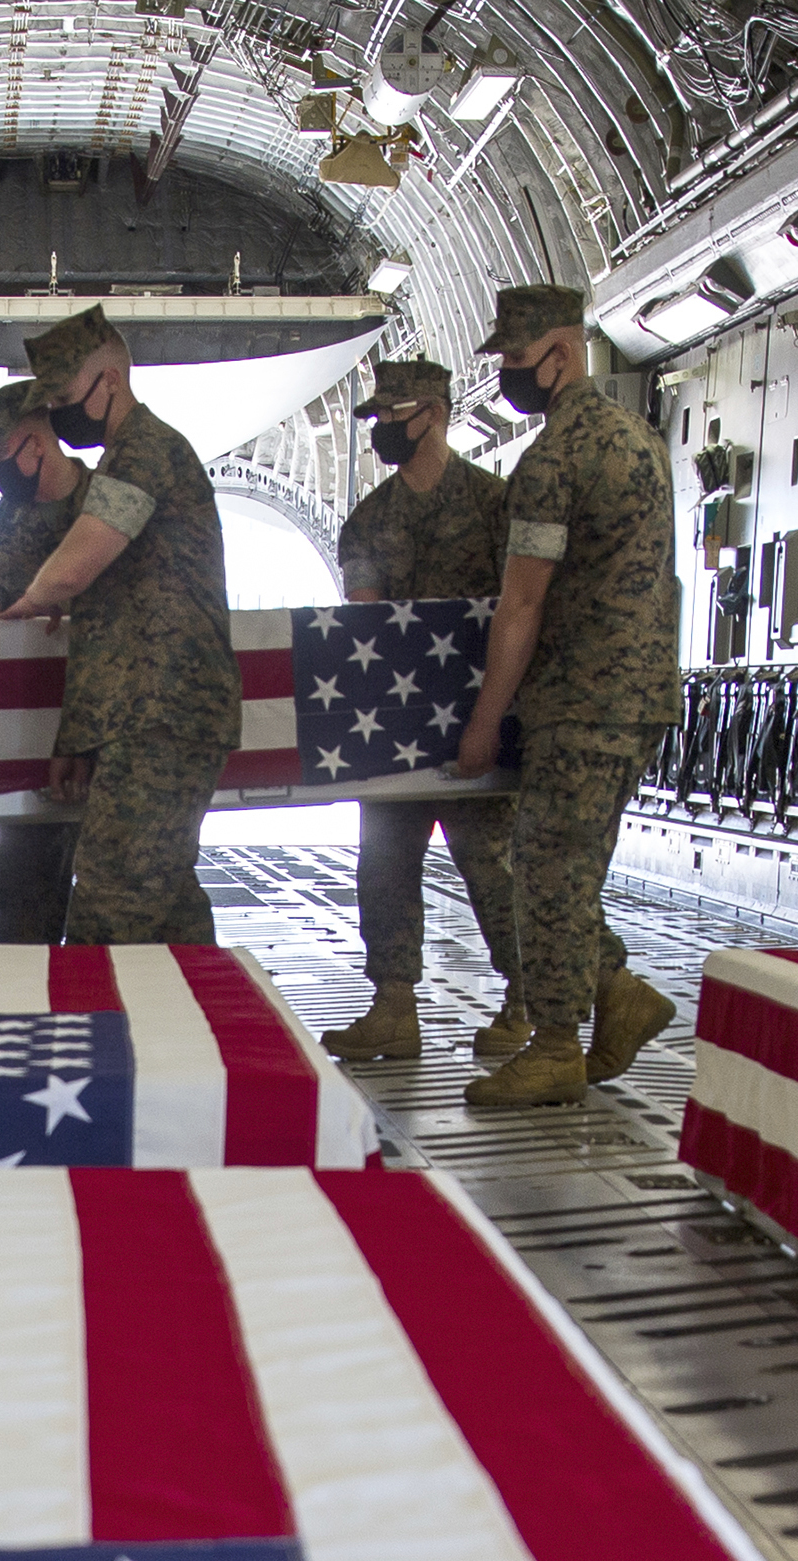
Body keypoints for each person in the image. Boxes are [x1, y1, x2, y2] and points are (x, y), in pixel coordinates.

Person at [447, 288, 680, 1110]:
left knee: (542, 873)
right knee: (569, 874)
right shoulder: (640, 441)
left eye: (516, 360)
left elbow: (522, 604)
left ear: (562, 352)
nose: (508, 377)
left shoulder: (553, 461)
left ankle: (553, 1045)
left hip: (579, 699)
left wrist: (483, 722)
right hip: (640, 692)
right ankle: (617, 994)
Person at [0, 305, 233, 946]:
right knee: (166, 902)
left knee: (108, 903)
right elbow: (108, 630)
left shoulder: (146, 453)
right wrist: (80, 735)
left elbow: (76, 572)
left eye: (65, 396)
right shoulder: (123, 459)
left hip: (163, 715)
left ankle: (93, 1041)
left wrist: (26, 603)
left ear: (111, 380)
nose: (59, 412)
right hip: (141, 715)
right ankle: (217, 1031)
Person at [327, 355, 520, 1063]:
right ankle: (393, 1007)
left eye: (393, 415)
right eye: (375, 417)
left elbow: (523, 610)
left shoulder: (498, 508)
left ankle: (524, 1000)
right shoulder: (369, 522)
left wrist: (496, 717)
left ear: (435, 413)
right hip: (398, 728)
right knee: (384, 864)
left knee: (491, 867)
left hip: (480, 721)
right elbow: (365, 623)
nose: (381, 428)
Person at [0, 377, 81, 945]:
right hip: (33, 744)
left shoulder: (110, 507)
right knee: (22, 907)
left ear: (37, 441)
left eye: (0, 454)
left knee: (126, 903)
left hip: (117, 731)